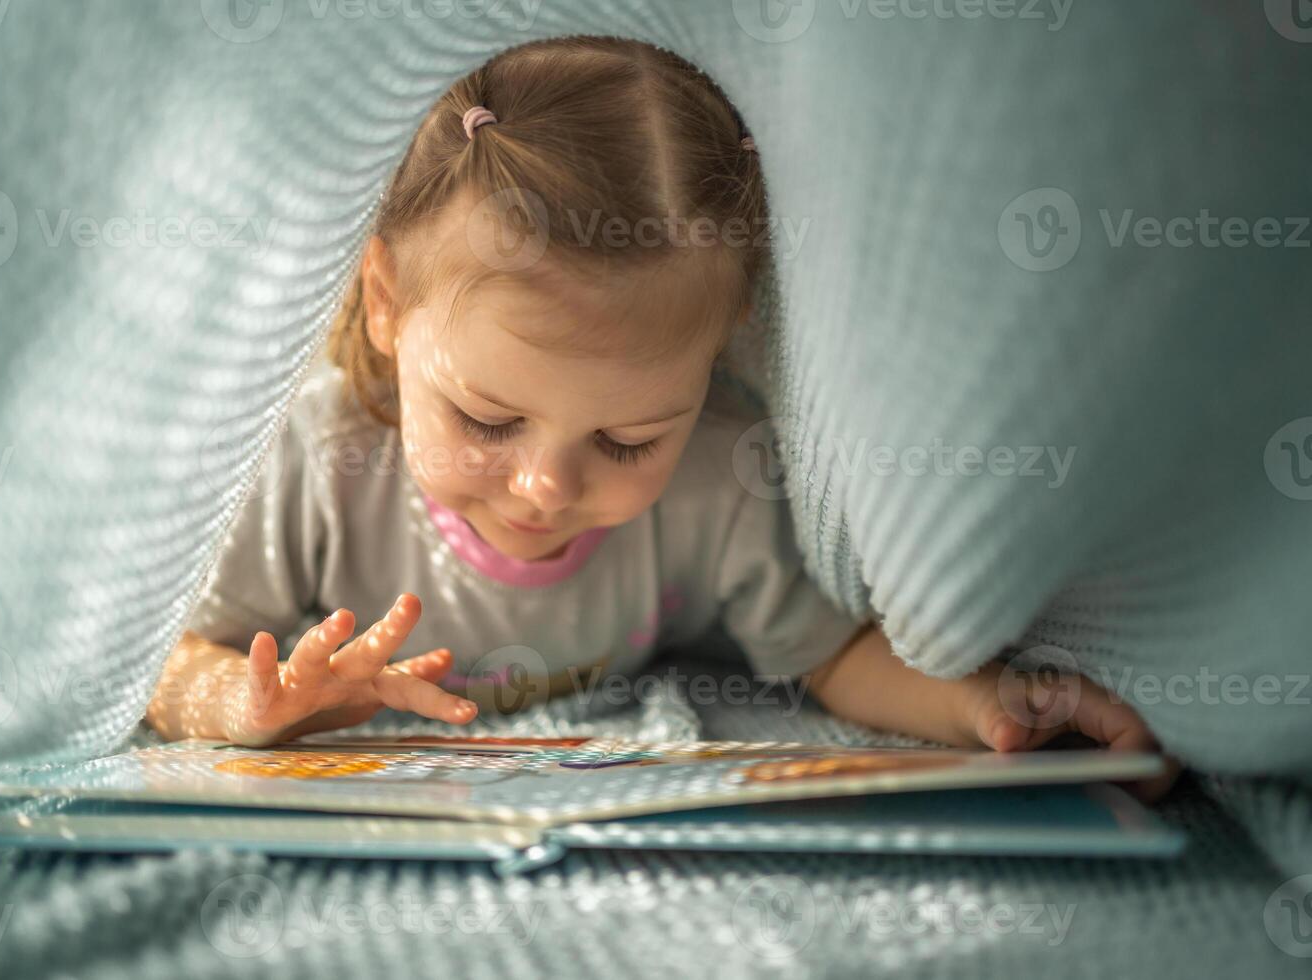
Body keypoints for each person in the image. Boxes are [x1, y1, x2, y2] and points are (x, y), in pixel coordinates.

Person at [145, 35, 1174, 799]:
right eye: (488, 419)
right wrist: (246, 704)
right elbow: (169, 659)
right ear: (385, 305)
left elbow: (829, 653)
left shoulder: (723, 473)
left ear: (716, 355)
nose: (548, 485)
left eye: (629, 439)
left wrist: (987, 705)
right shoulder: (318, 467)